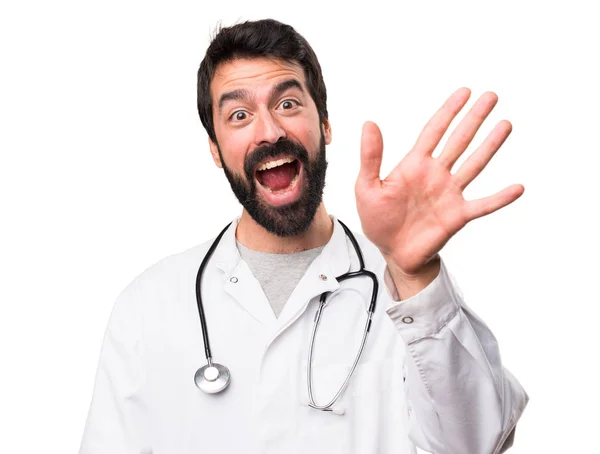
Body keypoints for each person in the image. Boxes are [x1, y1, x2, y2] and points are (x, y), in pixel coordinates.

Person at [79, 18, 529, 454]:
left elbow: (476, 442)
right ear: (216, 150)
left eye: (288, 104)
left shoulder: (402, 287)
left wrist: (416, 273)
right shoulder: (148, 306)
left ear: (325, 125)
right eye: (239, 114)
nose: (270, 131)